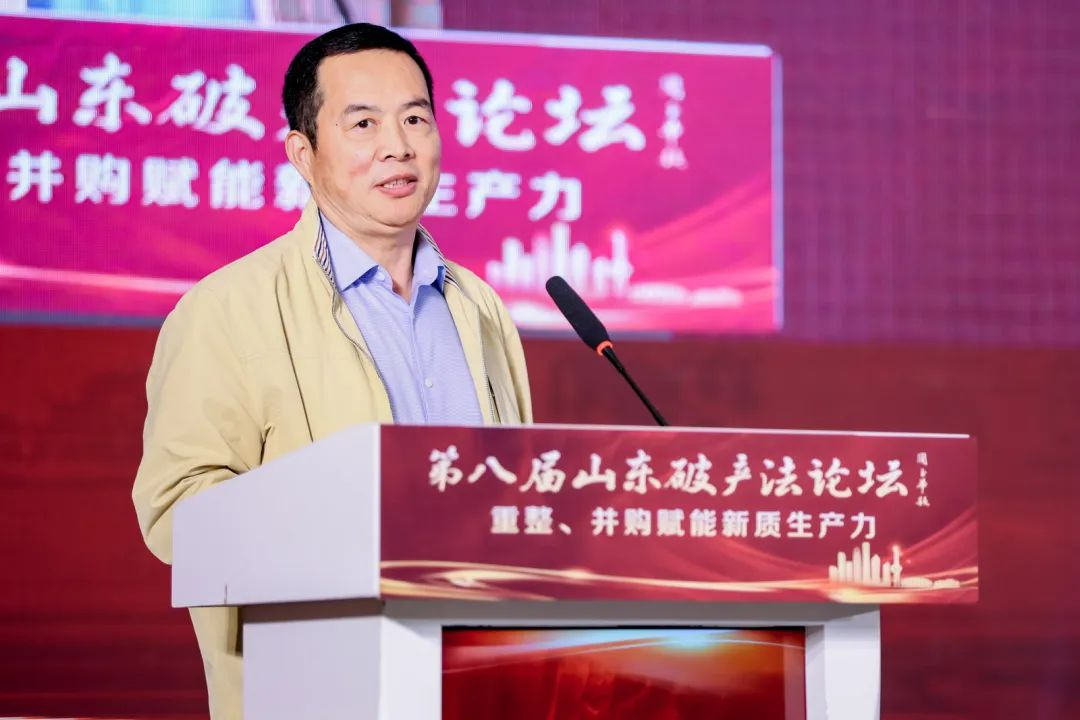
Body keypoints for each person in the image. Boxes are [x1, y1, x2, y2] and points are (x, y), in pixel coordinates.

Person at [132, 23, 532, 720]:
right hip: (315, 692)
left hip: (483, 683)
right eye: (363, 123)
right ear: (302, 153)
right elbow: (177, 516)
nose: (397, 146)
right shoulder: (226, 310)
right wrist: (352, 529)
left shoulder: (480, 308)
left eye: (415, 119)